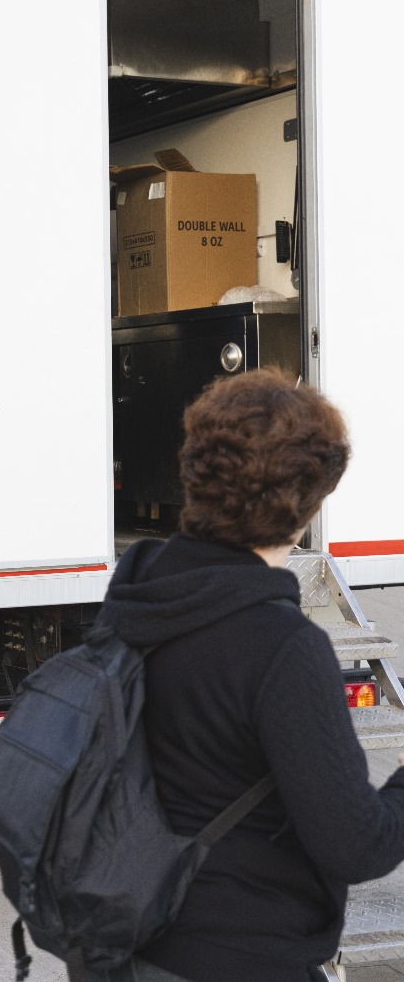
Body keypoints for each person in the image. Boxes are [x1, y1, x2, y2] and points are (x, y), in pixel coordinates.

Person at [69, 370, 404, 982]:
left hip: (124, 943)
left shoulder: (137, 595)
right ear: (307, 501)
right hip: (237, 955)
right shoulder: (283, 647)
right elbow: (357, 844)